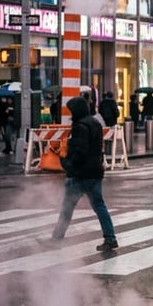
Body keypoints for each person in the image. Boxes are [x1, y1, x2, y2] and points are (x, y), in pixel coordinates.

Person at [52, 96, 118, 252]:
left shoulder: (80, 126)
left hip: (81, 173)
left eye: (71, 110)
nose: (70, 114)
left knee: (67, 207)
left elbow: (80, 150)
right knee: (99, 205)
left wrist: (68, 163)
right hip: (95, 171)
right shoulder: (94, 123)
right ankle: (110, 237)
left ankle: (57, 237)